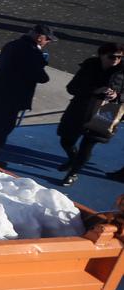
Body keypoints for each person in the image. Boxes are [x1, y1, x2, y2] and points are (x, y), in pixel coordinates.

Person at [0, 23, 56, 166]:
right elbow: (41, 76)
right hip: (11, 97)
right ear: (40, 37)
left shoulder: (12, 44)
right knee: (2, 126)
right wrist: (40, 59)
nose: (48, 43)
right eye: (47, 39)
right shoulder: (31, 51)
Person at [56, 42, 124, 186]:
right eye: (112, 57)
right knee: (66, 140)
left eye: (120, 58)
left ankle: (73, 173)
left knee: (87, 145)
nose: (116, 60)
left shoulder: (122, 72)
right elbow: (72, 88)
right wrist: (95, 90)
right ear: (101, 55)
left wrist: (116, 96)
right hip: (80, 108)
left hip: (105, 113)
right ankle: (72, 159)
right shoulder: (89, 66)